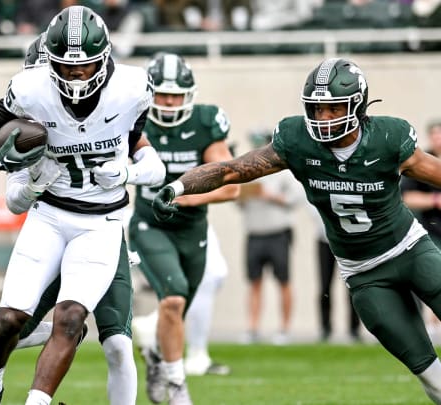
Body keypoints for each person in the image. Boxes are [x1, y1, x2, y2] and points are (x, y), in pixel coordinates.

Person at [153, 57, 441, 404]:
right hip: (363, 273)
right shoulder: (297, 141)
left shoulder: (388, 137)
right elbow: (232, 170)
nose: (323, 118)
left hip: (411, 250)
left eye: (333, 109)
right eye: (316, 109)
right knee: (432, 377)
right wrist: (180, 187)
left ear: (357, 104)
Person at [0, 8, 165, 404]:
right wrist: (0, 162)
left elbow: (142, 150)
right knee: (9, 320)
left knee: (72, 318)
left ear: (104, 58)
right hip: (49, 218)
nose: (75, 76)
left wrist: (126, 174)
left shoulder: (130, 89)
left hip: (102, 223)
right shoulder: (30, 95)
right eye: (65, 68)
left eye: (84, 67)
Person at [127, 52, 238, 405]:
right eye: (162, 94)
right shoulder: (132, 120)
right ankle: (178, 387)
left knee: (178, 307)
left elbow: (231, 185)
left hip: (192, 229)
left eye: (176, 94)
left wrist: (184, 198)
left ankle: (158, 355)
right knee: (173, 299)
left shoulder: (206, 122)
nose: (170, 102)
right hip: (150, 225)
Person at [131, 224, 231, 377]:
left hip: (186, 217)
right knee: (208, 274)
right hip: (175, 219)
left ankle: (154, 323)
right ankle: (196, 354)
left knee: (210, 274)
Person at [237, 129, 304, 345]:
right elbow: (236, 201)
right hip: (254, 233)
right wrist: (243, 195)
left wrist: (271, 196)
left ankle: (284, 328)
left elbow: (296, 198)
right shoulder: (247, 171)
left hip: (278, 233)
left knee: (283, 281)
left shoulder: (283, 171)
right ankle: (253, 327)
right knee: (254, 282)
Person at [401, 120, 441, 338]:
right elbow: (407, 197)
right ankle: (433, 324)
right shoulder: (421, 161)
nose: (437, 138)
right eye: (434, 134)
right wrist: (435, 199)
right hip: (431, 231)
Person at [310, 205, 362, 342]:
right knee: (324, 285)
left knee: (352, 285)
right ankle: (325, 327)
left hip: (348, 241)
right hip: (325, 240)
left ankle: (354, 328)